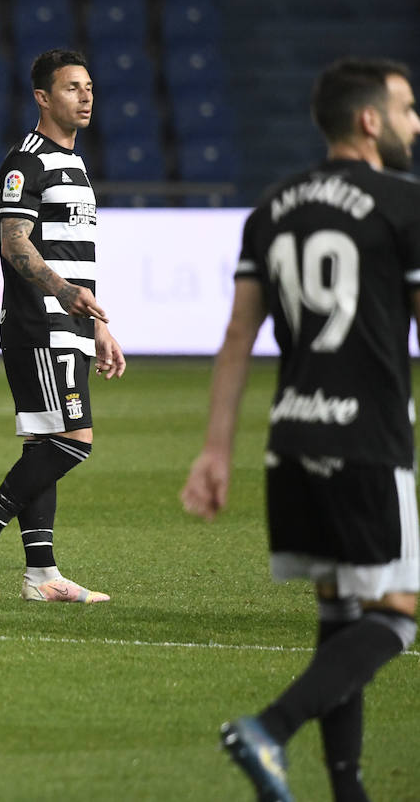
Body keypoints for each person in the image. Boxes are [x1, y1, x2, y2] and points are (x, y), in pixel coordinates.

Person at [181, 57, 420, 802]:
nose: (417, 122)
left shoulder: (272, 207)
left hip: (291, 440)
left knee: (339, 612)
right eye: (409, 107)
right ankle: (269, 729)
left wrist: (215, 449)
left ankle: (346, 790)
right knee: (398, 618)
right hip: (370, 442)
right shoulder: (401, 205)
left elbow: (236, 336)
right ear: (371, 119)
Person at [0, 48, 125, 604]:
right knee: (74, 443)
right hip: (38, 322)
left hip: (67, 324)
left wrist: (96, 325)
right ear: (43, 98)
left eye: (89, 86)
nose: (86, 95)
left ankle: (41, 574)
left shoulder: (75, 163)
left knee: (44, 444)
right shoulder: (29, 160)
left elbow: (75, 256)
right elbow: (13, 242)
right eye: (73, 87)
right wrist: (65, 295)